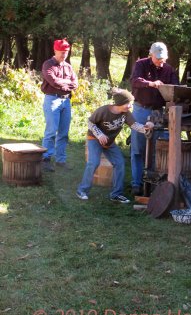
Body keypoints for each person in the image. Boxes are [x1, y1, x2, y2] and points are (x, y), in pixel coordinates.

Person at [76, 88, 154, 203]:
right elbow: (90, 122)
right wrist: (99, 134)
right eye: (128, 104)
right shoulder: (103, 111)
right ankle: (82, 190)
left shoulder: (126, 113)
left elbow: (134, 125)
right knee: (94, 162)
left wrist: (146, 128)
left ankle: (116, 194)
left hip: (109, 142)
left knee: (119, 163)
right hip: (94, 139)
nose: (130, 106)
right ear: (120, 103)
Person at [130, 42, 179, 195]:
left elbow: (176, 88)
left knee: (156, 148)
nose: (160, 61)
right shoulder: (141, 64)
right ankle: (136, 184)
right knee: (138, 148)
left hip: (158, 112)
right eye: (158, 58)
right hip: (140, 109)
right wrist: (151, 84)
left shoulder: (169, 69)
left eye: (163, 59)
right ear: (150, 55)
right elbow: (134, 81)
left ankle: (153, 184)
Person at [41, 39, 78, 172]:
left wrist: (64, 82)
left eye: (66, 52)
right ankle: (45, 159)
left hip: (66, 101)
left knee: (63, 132)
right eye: (61, 52)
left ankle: (60, 160)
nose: (64, 55)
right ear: (55, 50)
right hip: (52, 100)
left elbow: (75, 84)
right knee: (51, 131)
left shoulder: (68, 66)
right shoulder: (48, 64)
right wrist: (66, 82)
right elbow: (53, 82)